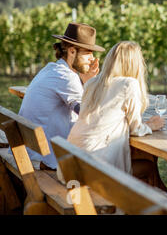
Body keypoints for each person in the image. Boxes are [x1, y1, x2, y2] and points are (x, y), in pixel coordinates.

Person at [64, 41, 164, 178]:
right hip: (95, 169)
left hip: (70, 166)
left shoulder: (92, 83)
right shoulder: (129, 84)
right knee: (148, 166)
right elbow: (136, 129)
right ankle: (139, 199)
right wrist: (151, 126)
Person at [18, 23, 104, 170]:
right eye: (88, 52)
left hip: (30, 153)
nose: (92, 58)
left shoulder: (51, 68)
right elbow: (89, 115)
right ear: (71, 51)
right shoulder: (67, 78)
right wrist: (90, 83)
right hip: (45, 161)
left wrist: (84, 82)